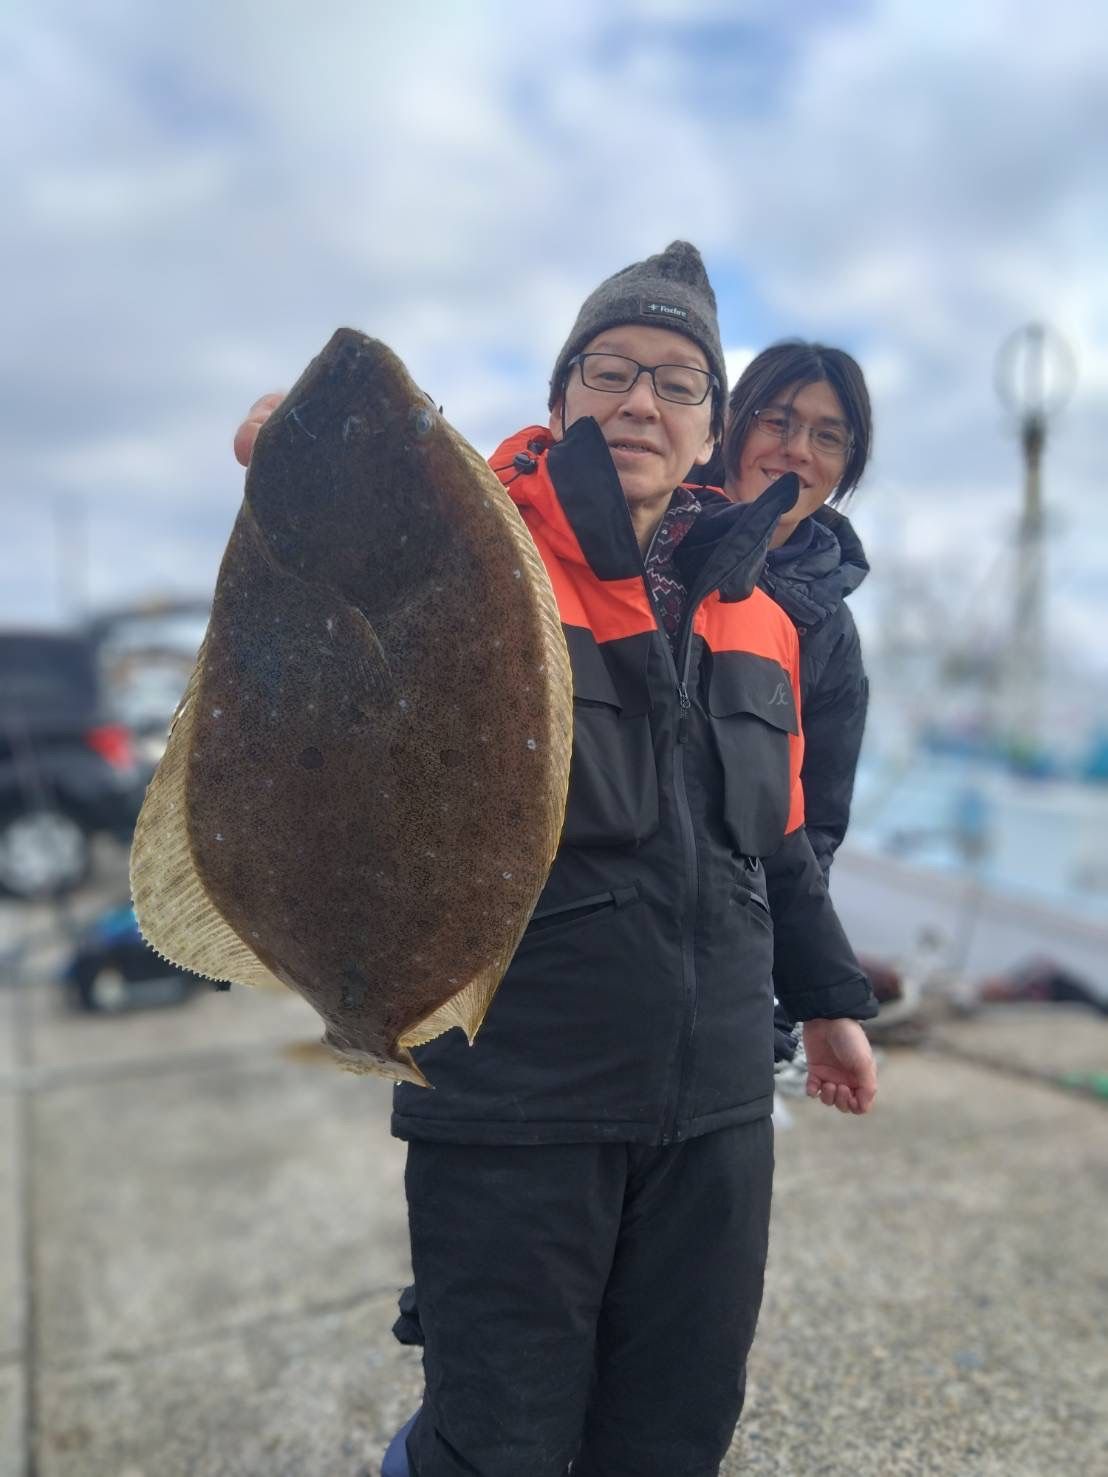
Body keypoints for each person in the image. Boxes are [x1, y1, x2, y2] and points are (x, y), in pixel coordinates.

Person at [234, 242, 878, 1477]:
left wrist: (830, 1005)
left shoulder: (763, 616)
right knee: (499, 1444)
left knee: (673, 1434)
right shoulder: (470, 549)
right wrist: (308, 462)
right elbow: (325, 643)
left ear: (709, 428)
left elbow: (781, 844)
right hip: (517, 1106)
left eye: (677, 382)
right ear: (559, 395)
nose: (640, 402)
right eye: (610, 370)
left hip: (716, 1113)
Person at [719, 344, 873, 1072]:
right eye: (776, 421)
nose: (797, 451)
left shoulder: (831, 633)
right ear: (730, 423)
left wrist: (790, 992)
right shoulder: (651, 536)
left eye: (827, 436)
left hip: (731, 951)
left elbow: (814, 830)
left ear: (846, 464)